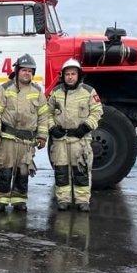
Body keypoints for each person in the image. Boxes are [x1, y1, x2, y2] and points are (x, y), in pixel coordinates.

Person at [0, 54, 50, 212]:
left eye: (30, 71)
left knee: (23, 172)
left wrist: (42, 136)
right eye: (24, 70)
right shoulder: (4, 89)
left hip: (27, 141)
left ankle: (19, 200)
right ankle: (0, 200)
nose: (27, 73)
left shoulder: (37, 91)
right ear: (17, 71)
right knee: (5, 170)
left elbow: (44, 116)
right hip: (7, 138)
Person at [47, 58, 103, 212]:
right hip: (60, 139)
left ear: (79, 75)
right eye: (67, 74)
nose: (70, 77)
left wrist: (86, 127)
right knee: (61, 171)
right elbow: (46, 112)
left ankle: (82, 201)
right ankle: (63, 200)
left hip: (81, 139)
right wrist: (52, 128)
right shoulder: (55, 92)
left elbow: (97, 111)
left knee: (81, 170)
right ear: (63, 76)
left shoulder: (89, 92)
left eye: (73, 74)